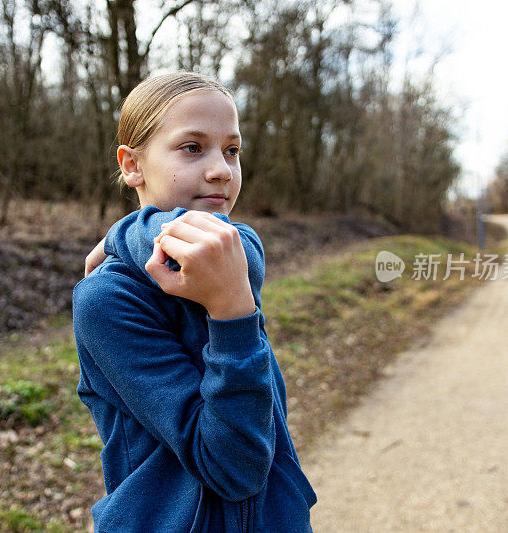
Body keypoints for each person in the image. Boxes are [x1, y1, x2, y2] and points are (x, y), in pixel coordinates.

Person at [73, 71, 316, 532]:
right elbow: (233, 470)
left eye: (232, 150)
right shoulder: (108, 300)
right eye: (192, 147)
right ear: (132, 165)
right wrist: (231, 316)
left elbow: (237, 242)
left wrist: (118, 232)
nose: (222, 169)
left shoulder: (233, 255)